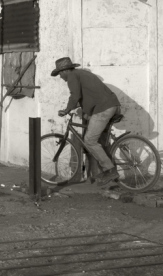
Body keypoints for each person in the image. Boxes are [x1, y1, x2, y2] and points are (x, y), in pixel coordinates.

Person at [52, 57, 121, 185]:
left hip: (104, 108)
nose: (60, 77)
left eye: (60, 73)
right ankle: (105, 169)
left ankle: (110, 170)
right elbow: (87, 96)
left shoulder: (72, 76)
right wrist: (77, 107)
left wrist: (66, 110)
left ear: (65, 71)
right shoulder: (82, 74)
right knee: (94, 133)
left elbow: (75, 96)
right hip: (111, 106)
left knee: (89, 140)